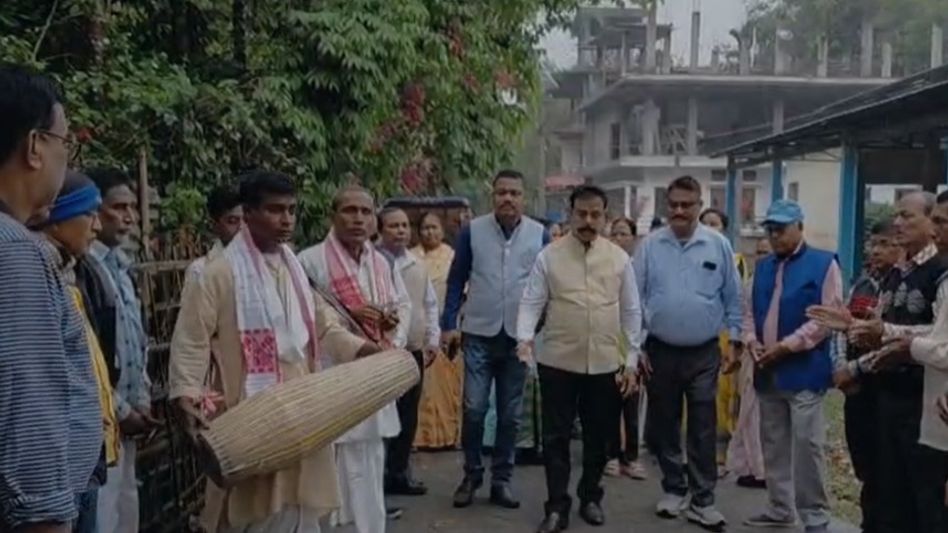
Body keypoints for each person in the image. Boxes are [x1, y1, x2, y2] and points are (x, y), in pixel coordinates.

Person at [170, 171, 380, 532]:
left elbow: (324, 325)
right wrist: (186, 392)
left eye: (292, 210)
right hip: (248, 406)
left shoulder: (294, 267)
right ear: (248, 214)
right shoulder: (217, 273)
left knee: (300, 506)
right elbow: (191, 340)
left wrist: (363, 350)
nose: (287, 220)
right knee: (252, 510)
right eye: (275, 210)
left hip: (302, 404)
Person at [0, 66, 101, 533]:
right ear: (35, 146)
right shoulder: (16, 252)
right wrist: (44, 517)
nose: (67, 157)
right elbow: (28, 414)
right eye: (66, 143)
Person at [517, 185, 642, 532]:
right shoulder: (550, 256)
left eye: (595, 214)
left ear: (605, 216)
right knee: (555, 438)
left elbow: (631, 310)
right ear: (570, 215)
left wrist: (631, 357)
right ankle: (556, 506)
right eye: (581, 214)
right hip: (557, 360)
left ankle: (590, 497)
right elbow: (531, 301)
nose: (588, 221)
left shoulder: (619, 258)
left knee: (598, 437)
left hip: (605, 363)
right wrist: (524, 338)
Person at [298, 185, 410, 533]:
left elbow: (402, 307)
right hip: (334, 380)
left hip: (373, 381)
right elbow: (314, 322)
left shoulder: (381, 262)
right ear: (333, 216)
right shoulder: (309, 261)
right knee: (331, 477)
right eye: (349, 210)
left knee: (370, 470)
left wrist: (391, 332)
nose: (358, 218)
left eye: (365, 211)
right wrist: (359, 335)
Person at [832, 192, 947, 533]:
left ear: (930, 224)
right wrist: (856, 329)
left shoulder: (940, 274)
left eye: (907, 216)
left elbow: (937, 338)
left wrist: (868, 355)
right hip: (885, 396)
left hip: (923, 402)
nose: (898, 223)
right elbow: (883, 329)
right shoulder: (898, 273)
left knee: (922, 498)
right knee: (885, 491)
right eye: (896, 215)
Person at [634, 175, 742, 530]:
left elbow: (732, 296)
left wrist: (736, 340)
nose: (679, 211)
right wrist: (637, 348)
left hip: (704, 352)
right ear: (668, 206)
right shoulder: (650, 246)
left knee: (702, 424)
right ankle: (673, 487)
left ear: (699, 206)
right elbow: (634, 300)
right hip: (660, 350)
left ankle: (703, 499)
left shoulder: (718, 245)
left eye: (687, 205)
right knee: (664, 423)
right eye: (674, 204)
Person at [441, 169, 550, 509]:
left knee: (510, 415)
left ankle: (502, 480)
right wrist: (448, 323)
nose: (508, 198)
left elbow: (546, 286)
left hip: (518, 338)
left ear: (524, 197)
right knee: (474, 408)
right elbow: (456, 279)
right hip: (478, 333)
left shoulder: (539, 234)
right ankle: (472, 474)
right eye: (502, 192)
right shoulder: (472, 231)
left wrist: (538, 328)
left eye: (514, 193)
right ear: (493, 196)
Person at [740, 200, 842, 533]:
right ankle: (779, 506)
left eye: (781, 229)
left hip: (804, 370)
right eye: (770, 229)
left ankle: (814, 515)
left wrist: (786, 346)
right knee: (773, 441)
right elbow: (750, 311)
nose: (775, 236)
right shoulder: (764, 266)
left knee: (807, 444)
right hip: (767, 370)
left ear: (800, 226)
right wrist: (752, 342)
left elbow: (827, 318)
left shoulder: (824, 264)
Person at [35, 171, 122, 533]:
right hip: (63, 467)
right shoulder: (38, 276)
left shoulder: (75, 273)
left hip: (86, 460)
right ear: (58, 220)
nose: (97, 226)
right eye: (89, 214)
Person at [810, 220, 900, 533]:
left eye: (884, 243)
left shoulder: (899, 289)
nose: (875, 250)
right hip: (854, 389)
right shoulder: (863, 282)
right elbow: (841, 326)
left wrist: (855, 368)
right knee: (864, 462)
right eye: (872, 243)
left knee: (886, 470)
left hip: (882, 387)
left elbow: (896, 342)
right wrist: (839, 366)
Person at [86, 168, 154, 533]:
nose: (129, 217)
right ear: (95, 211)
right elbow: (90, 355)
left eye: (132, 207)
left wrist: (141, 398)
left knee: (126, 511)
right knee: (103, 515)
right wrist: (121, 410)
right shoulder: (85, 271)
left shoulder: (122, 270)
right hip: (101, 428)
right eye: (119, 207)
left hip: (127, 423)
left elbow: (135, 344)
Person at [377, 207, 441, 496]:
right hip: (380, 354)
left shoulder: (416, 264)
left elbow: (429, 304)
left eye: (404, 225)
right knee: (381, 415)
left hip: (413, 350)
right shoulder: (372, 262)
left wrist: (432, 339)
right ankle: (376, 477)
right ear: (380, 230)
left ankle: (399, 473)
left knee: (408, 414)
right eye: (393, 226)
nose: (401, 230)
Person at [699, 208, 746, 472]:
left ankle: (722, 451)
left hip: (724, 334)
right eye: (704, 223)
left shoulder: (734, 260)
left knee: (724, 394)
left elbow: (737, 300)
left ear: (724, 229)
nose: (708, 228)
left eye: (714, 223)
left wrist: (736, 339)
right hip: (697, 335)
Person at [411, 211, 462, 449]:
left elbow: (462, 293)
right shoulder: (411, 258)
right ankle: (419, 437)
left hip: (446, 329)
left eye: (434, 228)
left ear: (442, 230)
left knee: (447, 387)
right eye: (425, 228)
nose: (429, 232)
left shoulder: (453, 257)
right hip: (418, 330)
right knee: (420, 386)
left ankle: (446, 437)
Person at [725, 238, 772, 490]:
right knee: (748, 414)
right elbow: (744, 315)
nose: (762, 257)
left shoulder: (780, 281)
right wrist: (747, 342)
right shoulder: (751, 282)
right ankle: (750, 467)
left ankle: (764, 470)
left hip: (776, 358)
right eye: (759, 252)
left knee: (765, 417)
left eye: (768, 253)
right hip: (750, 356)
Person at [604, 216, 647, 480]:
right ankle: (610, 455)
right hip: (607, 343)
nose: (618, 239)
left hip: (632, 343)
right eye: (614, 234)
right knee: (608, 403)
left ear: (633, 239)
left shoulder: (640, 271)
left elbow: (643, 310)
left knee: (631, 402)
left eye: (623, 234)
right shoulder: (604, 267)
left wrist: (640, 345)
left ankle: (631, 457)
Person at [183, 184, 243, 290]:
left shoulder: (263, 266)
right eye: (233, 221)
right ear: (214, 225)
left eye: (246, 221)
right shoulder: (200, 272)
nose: (242, 228)